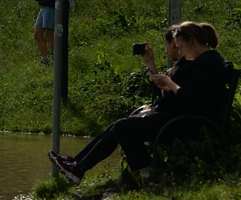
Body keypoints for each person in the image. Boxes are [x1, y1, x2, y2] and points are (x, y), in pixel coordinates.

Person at [50, 22, 229, 183]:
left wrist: (169, 84)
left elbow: (189, 98)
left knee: (123, 127)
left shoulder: (205, 63)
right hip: (180, 117)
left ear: (191, 42)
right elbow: (183, 95)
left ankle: (148, 175)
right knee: (120, 126)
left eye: (181, 47)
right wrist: (165, 85)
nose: (180, 52)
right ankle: (77, 165)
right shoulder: (203, 61)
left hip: (188, 122)